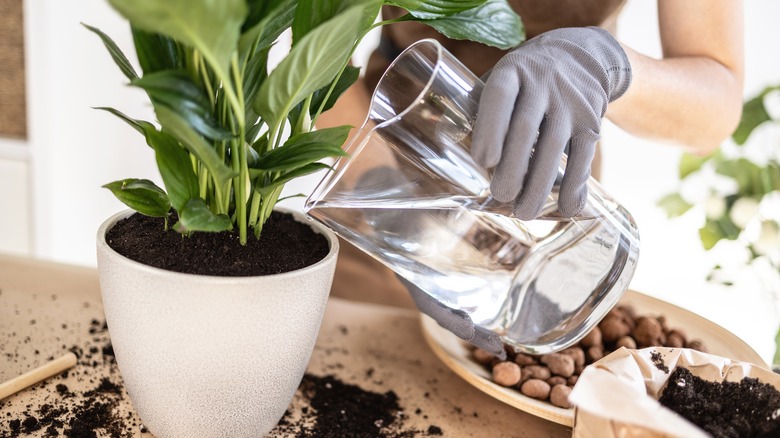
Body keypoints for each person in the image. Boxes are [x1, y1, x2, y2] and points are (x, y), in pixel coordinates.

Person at [316, 0, 744, 325]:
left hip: (546, 193)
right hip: (386, 150)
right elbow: (312, 51)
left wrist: (605, 64)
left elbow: (716, 103)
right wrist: (384, 200)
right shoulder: (384, 191)